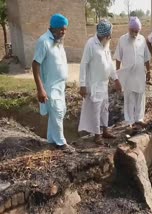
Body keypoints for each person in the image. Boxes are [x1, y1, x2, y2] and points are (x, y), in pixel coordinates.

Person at [32, 13, 75, 153]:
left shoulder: (57, 41)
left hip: (60, 86)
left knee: (60, 112)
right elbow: (35, 64)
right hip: (50, 86)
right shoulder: (43, 41)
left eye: (65, 29)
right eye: (61, 29)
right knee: (56, 112)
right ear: (53, 27)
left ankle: (51, 140)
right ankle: (61, 143)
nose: (63, 32)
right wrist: (40, 89)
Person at [78, 19, 121, 144]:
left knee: (105, 109)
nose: (110, 37)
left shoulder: (106, 44)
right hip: (94, 84)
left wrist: (116, 79)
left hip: (104, 84)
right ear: (104, 35)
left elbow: (110, 65)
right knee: (96, 110)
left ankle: (105, 131)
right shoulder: (91, 44)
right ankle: (97, 135)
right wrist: (82, 85)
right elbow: (83, 65)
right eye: (109, 35)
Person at [114, 17, 151, 129]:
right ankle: (129, 121)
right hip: (128, 74)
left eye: (137, 31)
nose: (134, 33)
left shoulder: (142, 39)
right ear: (129, 29)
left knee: (140, 96)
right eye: (133, 31)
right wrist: (118, 74)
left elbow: (146, 57)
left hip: (140, 73)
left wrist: (149, 71)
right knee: (129, 98)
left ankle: (139, 119)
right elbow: (118, 58)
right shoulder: (122, 39)